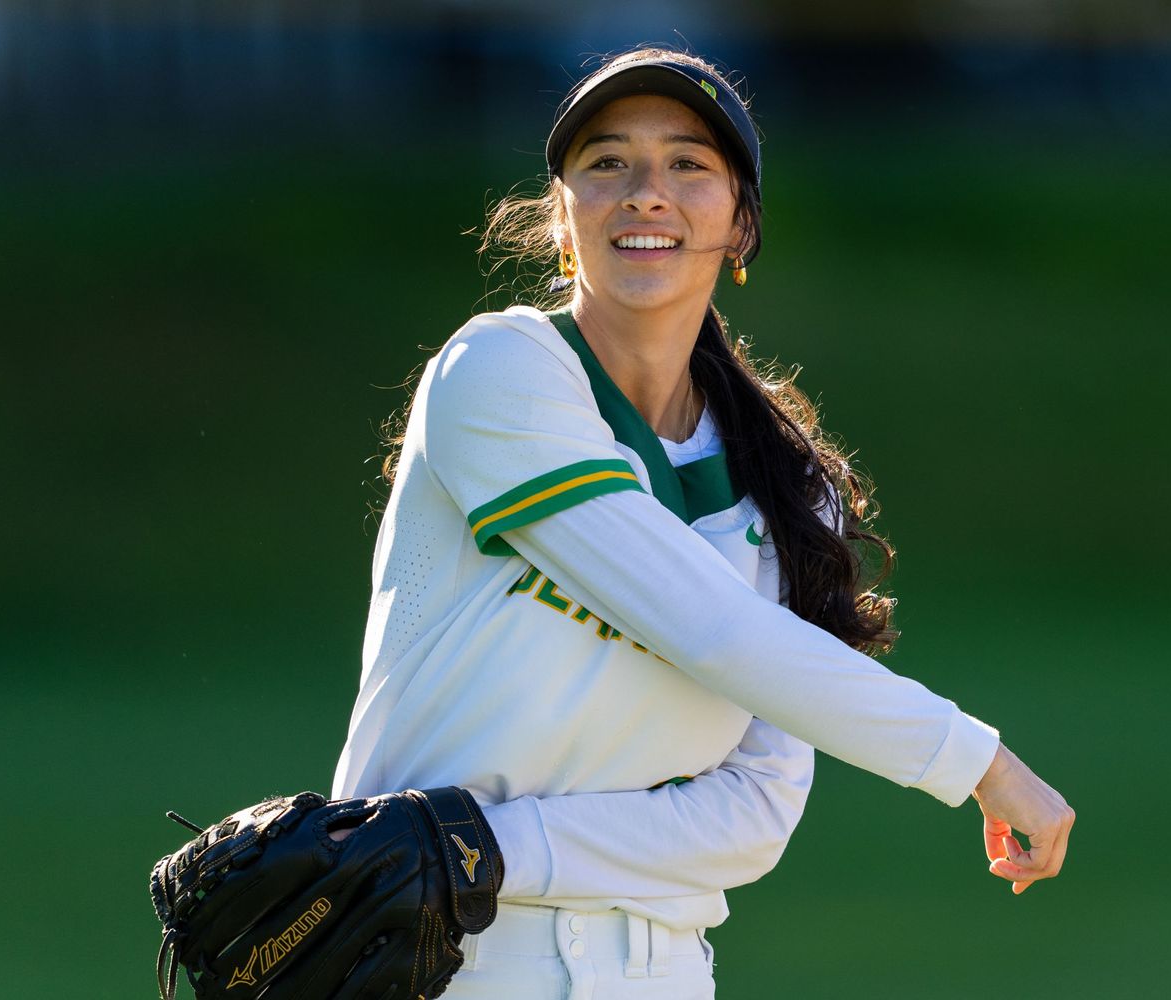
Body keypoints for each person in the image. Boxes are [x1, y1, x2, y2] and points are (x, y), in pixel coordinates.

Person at [332, 46, 1074, 1000]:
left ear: (741, 224)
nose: (647, 193)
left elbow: (755, 810)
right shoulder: (499, 372)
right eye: (608, 163)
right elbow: (711, 631)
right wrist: (977, 761)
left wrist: (485, 847)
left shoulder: (783, 479)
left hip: (661, 971)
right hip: (435, 960)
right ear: (564, 219)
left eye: (689, 164)